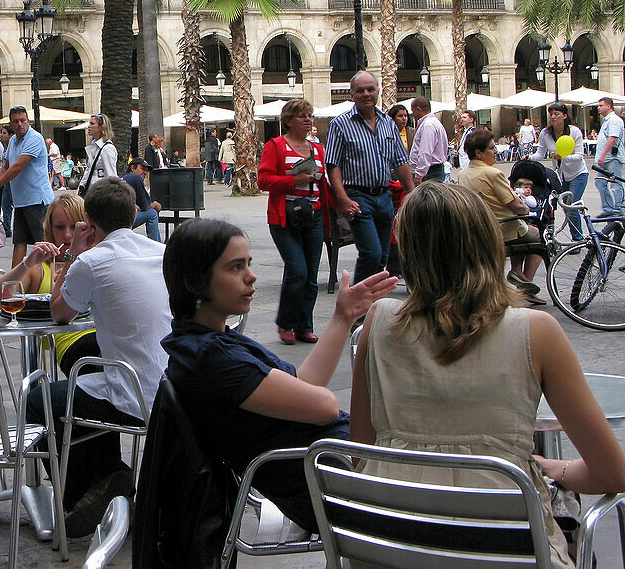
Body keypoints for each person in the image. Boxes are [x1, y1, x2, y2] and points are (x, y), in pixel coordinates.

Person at [349, 183, 625, 567]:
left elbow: (362, 450)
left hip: (393, 545)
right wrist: (556, 469)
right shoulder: (536, 331)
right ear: (488, 242)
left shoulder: (378, 323)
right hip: (507, 549)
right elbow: (612, 473)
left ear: (408, 253)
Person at [162, 218, 396, 536]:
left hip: (334, 468)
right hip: (336, 485)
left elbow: (305, 386)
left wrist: (342, 317)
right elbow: (324, 405)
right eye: (235, 267)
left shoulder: (204, 343)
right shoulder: (214, 359)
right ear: (196, 280)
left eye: (249, 263)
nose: (251, 275)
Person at [28, 178, 171, 536]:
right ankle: (108, 477)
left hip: (136, 396)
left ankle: (79, 494)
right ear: (135, 212)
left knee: (39, 399)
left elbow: (59, 313)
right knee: (85, 379)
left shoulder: (91, 261)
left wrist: (74, 251)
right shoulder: (163, 251)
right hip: (177, 388)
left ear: (89, 221)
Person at [324, 71, 415, 283]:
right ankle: (356, 305)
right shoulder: (340, 124)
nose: (366, 94)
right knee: (371, 254)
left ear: (377, 92)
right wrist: (343, 199)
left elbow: (400, 161)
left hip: (384, 197)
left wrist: (412, 192)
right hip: (358, 197)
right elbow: (333, 166)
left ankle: (369, 303)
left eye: (370, 89)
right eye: (360, 90)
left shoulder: (388, 123)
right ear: (352, 94)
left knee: (382, 256)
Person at [0, 192, 98, 374]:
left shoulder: (96, 260)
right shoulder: (40, 268)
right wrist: (27, 263)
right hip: (72, 350)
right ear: (50, 229)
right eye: (60, 227)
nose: (67, 235)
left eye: (74, 227)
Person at [258, 99, 327, 345]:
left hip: (313, 215)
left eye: (310, 115)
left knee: (311, 275)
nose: (308, 120)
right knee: (297, 269)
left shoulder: (317, 149)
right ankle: (286, 322)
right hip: (284, 215)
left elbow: (324, 184)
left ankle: (304, 325)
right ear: (288, 120)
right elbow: (264, 181)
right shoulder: (275, 146)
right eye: (302, 116)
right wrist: (293, 181)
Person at [458, 130, 545, 305]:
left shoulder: (463, 174)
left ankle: (517, 273)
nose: (495, 151)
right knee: (539, 236)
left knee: (522, 230)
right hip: (503, 228)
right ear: (479, 153)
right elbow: (516, 206)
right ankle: (524, 280)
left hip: (479, 229)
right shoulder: (493, 173)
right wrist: (524, 207)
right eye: (491, 148)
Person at [0, 106, 55, 267]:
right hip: (21, 201)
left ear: (28, 121)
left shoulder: (34, 138)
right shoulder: (13, 141)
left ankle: (51, 281)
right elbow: (6, 166)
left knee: (43, 244)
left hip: (37, 200)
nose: (20, 124)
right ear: (11, 124)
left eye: (23, 120)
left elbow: (18, 167)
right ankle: (13, 282)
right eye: (16, 121)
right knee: (19, 241)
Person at [532, 102, 588, 239]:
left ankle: (577, 239)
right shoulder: (545, 133)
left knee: (571, 206)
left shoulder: (574, 131)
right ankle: (575, 235)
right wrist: (529, 158)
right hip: (561, 175)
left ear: (564, 116)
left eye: (556, 114)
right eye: (551, 114)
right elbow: (541, 153)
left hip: (578, 174)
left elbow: (580, 156)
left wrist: (563, 156)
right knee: (564, 206)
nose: (553, 117)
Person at [594, 97, 625, 219]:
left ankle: (619, 207)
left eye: (601, 105)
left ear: (609, 106)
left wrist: (603, 155)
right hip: (605, 159)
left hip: (612, 158)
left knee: (615, 183)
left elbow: (613, 138)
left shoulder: (614, 120)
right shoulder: (606, 120)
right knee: (600, 181)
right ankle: (609, 208)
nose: (598, 108)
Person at [408, 97, 449, 182]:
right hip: (432, 170)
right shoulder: (435, 123)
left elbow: (425, 152)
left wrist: (419, 175)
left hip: (430, 172)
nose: (413, 115)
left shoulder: (428, 125)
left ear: (418, 109)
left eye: (413, 111)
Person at [122, 158, 161, 242]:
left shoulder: (122, 178)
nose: (145, 172)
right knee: (152, 213)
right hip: (121, 221)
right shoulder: (136, 178)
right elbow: (145, 207)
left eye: (147, 171)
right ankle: (156, 245)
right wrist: (154, 205)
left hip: (109, 221)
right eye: (142, 169)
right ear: (132, 168)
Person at [78, 113, 118, 194]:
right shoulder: (94, 146)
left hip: (100, 193)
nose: (89, 126)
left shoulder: (107, 148)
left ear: (101, 127)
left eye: (92, 124)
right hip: (92, 191)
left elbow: (111, 174)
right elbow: (88, 171)